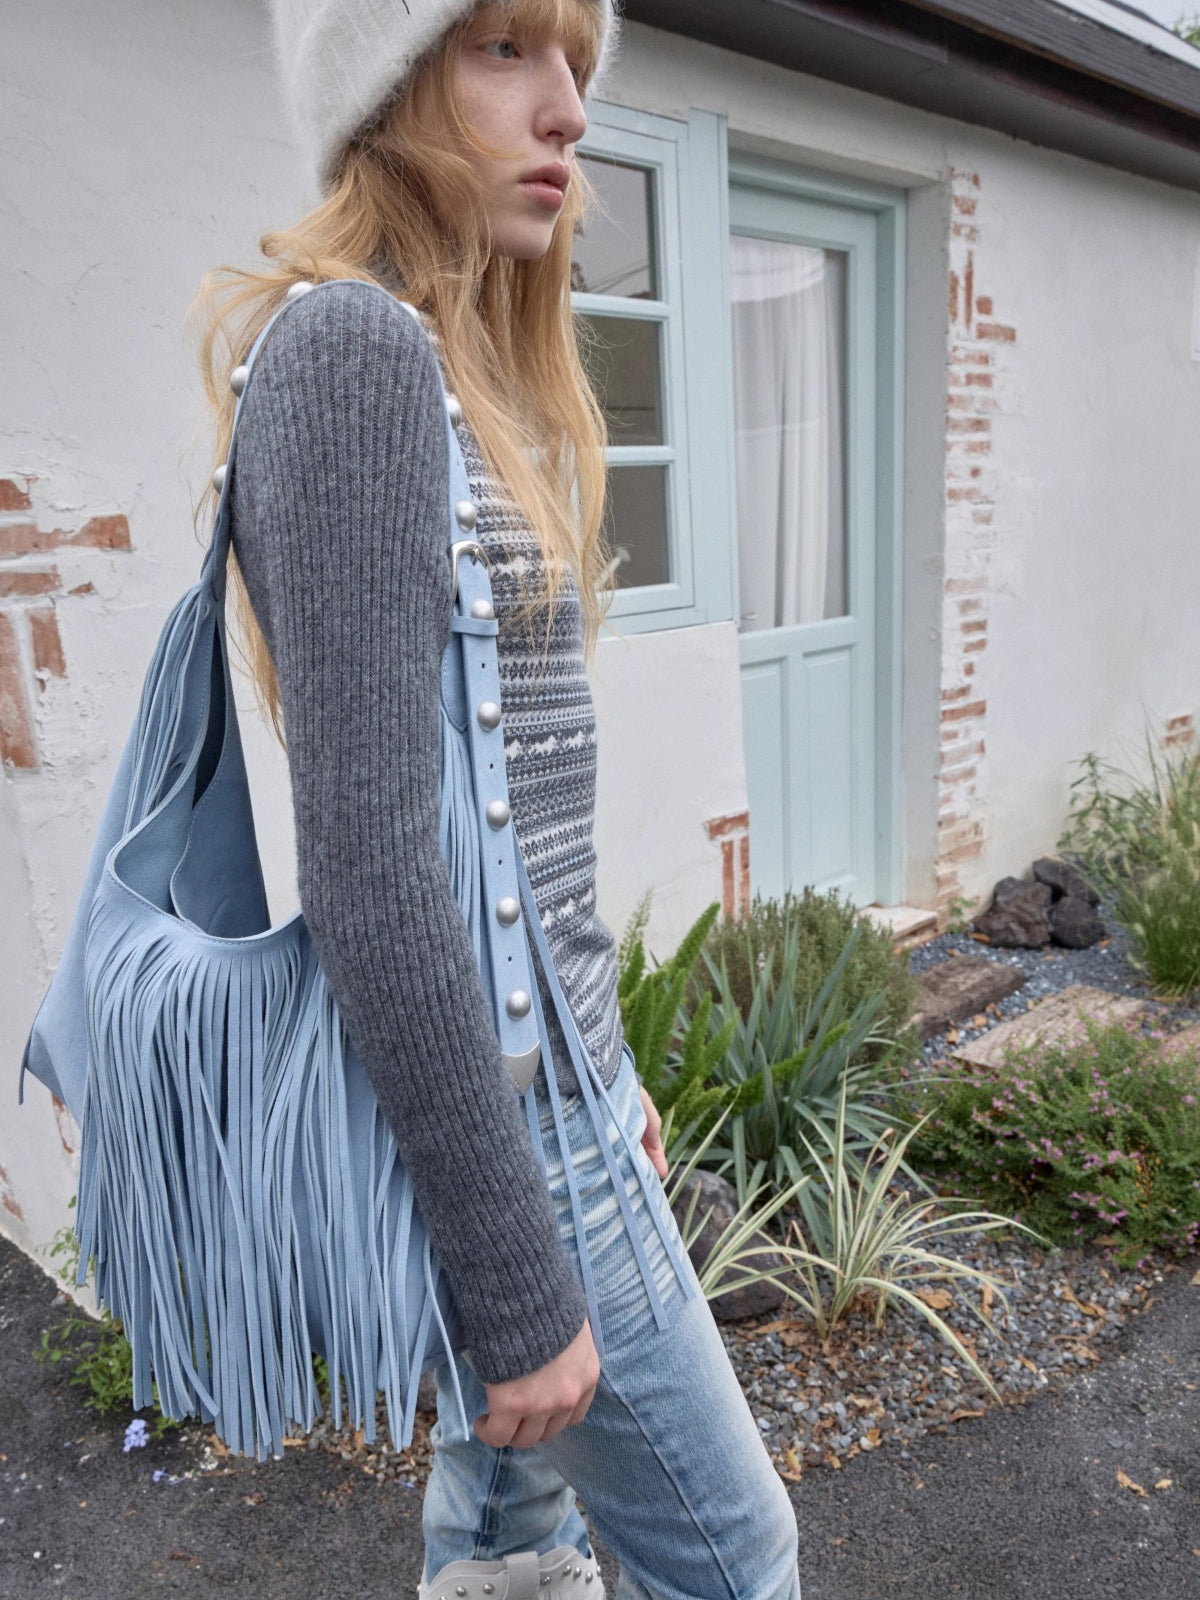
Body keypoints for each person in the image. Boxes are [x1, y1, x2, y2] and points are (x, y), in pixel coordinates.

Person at [197, 2, 802, 1595]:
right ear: (385, 84)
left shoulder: (451, 369)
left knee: (511, 1534)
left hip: (550, 1104)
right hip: (516, 1148)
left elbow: (508, 821)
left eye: (578, 70)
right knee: (738, 1558)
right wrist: (519, 1269)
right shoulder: (352, 353)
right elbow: (379, 867)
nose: (569, 116)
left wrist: (602, 1058)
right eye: (505, 52)